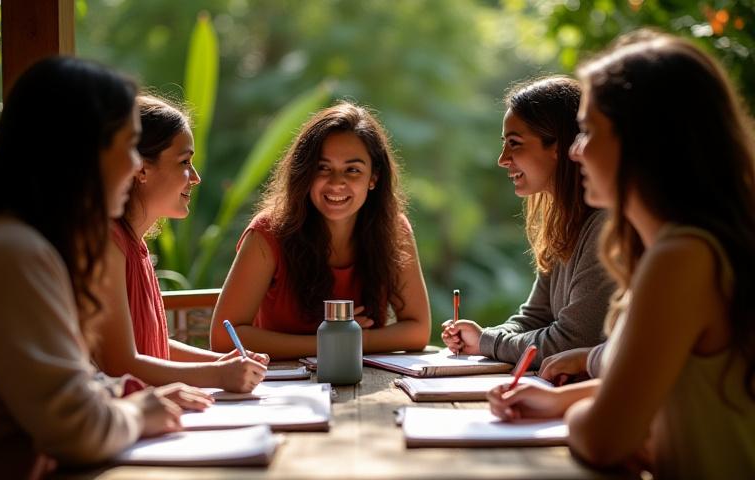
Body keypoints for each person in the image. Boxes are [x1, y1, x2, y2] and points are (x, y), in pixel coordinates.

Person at [487, 31, 755, 478]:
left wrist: (581, 420)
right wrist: (561, 400)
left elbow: (604, 439)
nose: (576, 150)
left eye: (588, 130)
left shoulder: (682, 258)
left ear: (643, 142)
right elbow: (667, 383)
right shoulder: (681, 248)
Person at [0, 57, 212, 477]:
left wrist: (123, 393)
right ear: (82, 149)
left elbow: (52, 389)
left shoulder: (17, 244)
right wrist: (136, 413)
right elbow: (73, 426)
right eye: (129, 145)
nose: (135, 166)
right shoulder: (12, 255)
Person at [210, 101, 431, 359]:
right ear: (304, 173)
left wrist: (350, 339)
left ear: (374, 178)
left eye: (353, 170)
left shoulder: (395, 230)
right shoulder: (267, 233)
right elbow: (224, 339)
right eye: (323, 168)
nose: (337, 182)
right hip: (281, 390)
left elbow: (418, 331)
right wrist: (333, 341)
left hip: (369, 381)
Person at [92, 94, 268, 392]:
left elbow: (154, 344)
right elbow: (120, 362)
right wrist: (217, 375)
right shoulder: (107, 243)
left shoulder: (135, 246)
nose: (196, 177)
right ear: (140, 167)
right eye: (185, 161)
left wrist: (221, 362)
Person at [442, 76, 614, 366]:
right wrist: (483, 336)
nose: (502, 159)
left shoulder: (604, 227)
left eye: (515, 143)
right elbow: (536, 317)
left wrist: (488, 341)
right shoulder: (562, 223)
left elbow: (572, 340)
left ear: (559, 146)